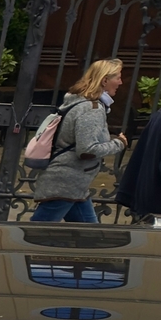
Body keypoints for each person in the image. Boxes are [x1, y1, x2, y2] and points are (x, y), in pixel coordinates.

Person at [31, 59, 126, 224]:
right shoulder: (91, 108)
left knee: (89, 238)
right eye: (117, 77)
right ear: (104, 80)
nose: (120, 82)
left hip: (74, 185)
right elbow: (87, 149)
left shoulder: (81, 103)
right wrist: (118, 143)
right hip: (66, 183)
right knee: (34, 234)